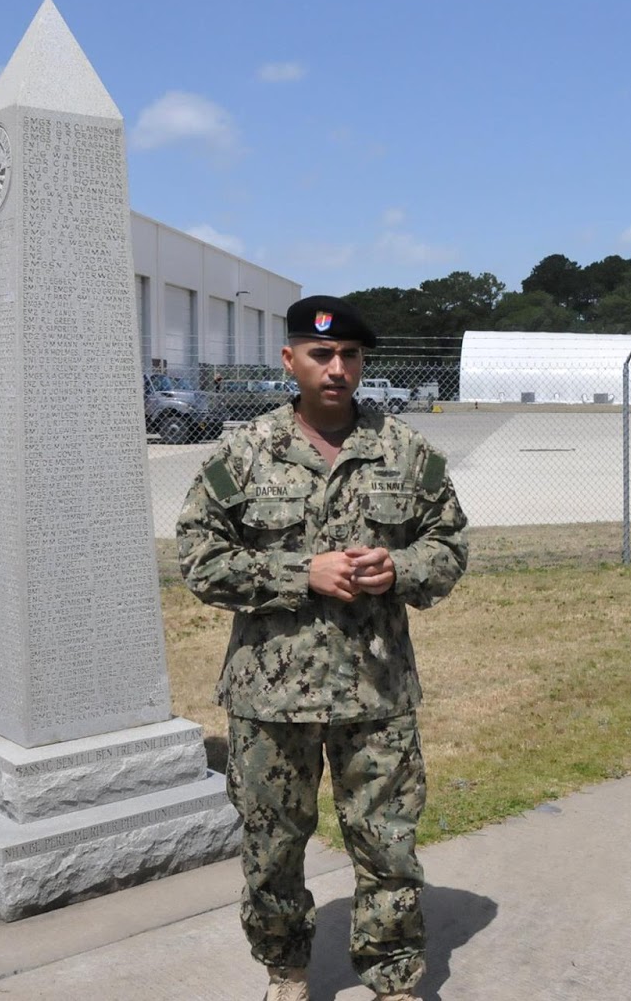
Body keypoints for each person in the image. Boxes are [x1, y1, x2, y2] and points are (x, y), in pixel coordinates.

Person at [177, 295, 468, 1001]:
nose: (337, 369)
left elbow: (450, 546)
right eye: (320, 354)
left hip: (377, 692)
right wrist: (296, 573)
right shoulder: (245, 454)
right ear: (290, 360)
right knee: (272, 850)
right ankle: (287, 971)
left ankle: (393, 978)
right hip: (271, 698)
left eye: (350, 356)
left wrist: (398, 568)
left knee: (388, 845)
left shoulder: (406, 451)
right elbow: (197, 555)